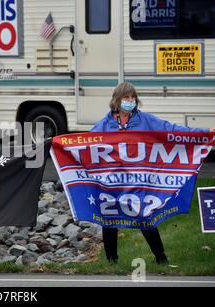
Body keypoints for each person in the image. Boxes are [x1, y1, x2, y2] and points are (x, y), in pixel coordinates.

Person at [91, 81, 215, 264]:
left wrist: (205, 134)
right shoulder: (106, 123)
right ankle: (111, 261)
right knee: (109, 218)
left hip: (137, 181)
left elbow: (172, 130)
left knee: (144, 216)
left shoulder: (145, 120)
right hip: (113, 182)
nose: (130, 100)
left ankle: (161, 258)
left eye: (133, 97)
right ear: (117, 100)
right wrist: (58, 144)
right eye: (126, 97)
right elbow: (86, 143)